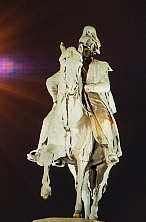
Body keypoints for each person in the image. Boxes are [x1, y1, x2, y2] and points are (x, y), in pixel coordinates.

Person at [29, 26, 121, 165]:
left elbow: (106, 85)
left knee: (103, 120)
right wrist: (56, 98)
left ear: (94, 48)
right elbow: (51, 81)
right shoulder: (73, 63)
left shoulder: (101, 66)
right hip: (71, 98)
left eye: (88, 46)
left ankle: (109, 151)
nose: (85, 49)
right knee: (48, 120)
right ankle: (41, 148)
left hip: (93, 98)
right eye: (83, 45)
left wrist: (90, 87)